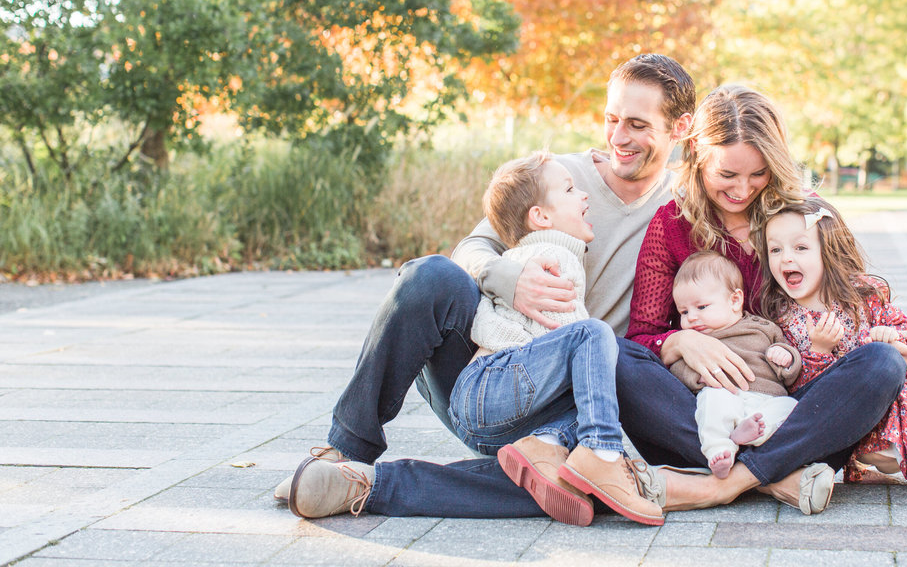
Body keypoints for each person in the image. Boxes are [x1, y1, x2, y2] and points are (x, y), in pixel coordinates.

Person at [281, 54, 696, 519]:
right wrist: (509, 279)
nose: (619, 137)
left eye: (637, 125)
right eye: (612, 119)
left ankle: (360, 487)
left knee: (575, 481)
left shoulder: (686, 206)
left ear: (679, 128)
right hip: (488, 376)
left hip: (571, 406)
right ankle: (345, 451)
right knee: (431, 276)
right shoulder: (559, 178)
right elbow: (473, 248)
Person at [614, 85, 907, 514]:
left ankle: (725, 484)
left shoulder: (805, 217)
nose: (743, 189)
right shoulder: (672, 225)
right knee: (609, 352)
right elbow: (642, 335)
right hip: (701, 411)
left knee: (880, 363)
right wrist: (680, 342)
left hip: (797, 410)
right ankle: (780, 479)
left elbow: (856, 298)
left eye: (758, 173)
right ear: (697, 154)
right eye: (726, 175)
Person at [449, 151, 660, 526]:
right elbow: (573, 336)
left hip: (485, 406)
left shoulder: (526, 257)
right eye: (569, 190)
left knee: (585, 389)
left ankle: (545, 446)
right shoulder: (552, 258)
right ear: (541, 217)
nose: (584, 196)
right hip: (492, 384)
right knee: (596, 339)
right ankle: (604, 454)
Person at [760, 195, 907, 497]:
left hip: (891, 396)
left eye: (801, 248)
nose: (786, 259)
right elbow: (804, 394)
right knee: (873, 445)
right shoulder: (781, 317)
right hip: (851, 414)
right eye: (775, 250)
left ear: (829, 252)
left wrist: (891, 337)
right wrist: (818, 352)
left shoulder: (861, 296)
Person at [667, 250, 801, 479]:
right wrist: (697, 376)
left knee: (790, 407)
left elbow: (790, 368)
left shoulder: (762, 328)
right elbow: (677, 370)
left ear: (734, 300)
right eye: (683, 311)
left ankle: (751, 433)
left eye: (701, 307)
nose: (691, 318)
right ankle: (719, 451)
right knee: (712, 402)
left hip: (766, 399)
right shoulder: (697, 341)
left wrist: (785, 358)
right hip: (725, 394)